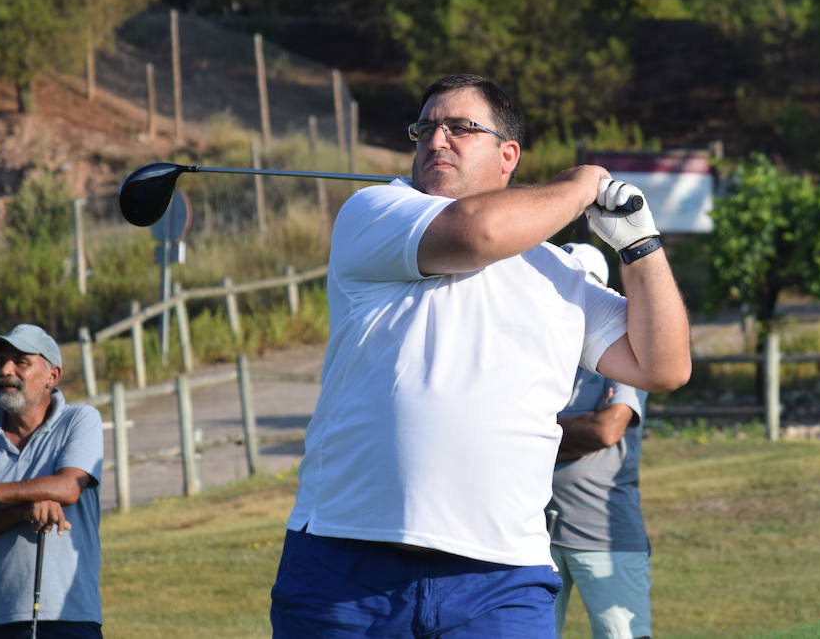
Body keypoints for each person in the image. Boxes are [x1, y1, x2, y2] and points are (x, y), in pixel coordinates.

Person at [269, 74, 690, 637]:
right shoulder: (376, 211)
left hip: (501, 577)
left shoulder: (558, 272)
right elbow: (478, 231)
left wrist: (639, 245)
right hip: (347, 562)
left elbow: (663, 365)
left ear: (508, 154)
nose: (436, 140)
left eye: (461, 128)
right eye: (426, 128)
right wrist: (583, 186)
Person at [0, 324, 104, 639]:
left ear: (52, 376)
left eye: (20, 362)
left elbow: (68, 487)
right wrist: (22, 511)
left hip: (67, 615)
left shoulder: (80, 421)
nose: (5, 370)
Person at [547, 242, 653, 639]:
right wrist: (580, 426)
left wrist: (541, 429)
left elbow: (607, 429)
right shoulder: (539, 354)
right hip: (535, 533)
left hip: (605, 535)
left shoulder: (626, 353)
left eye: (580, 285)